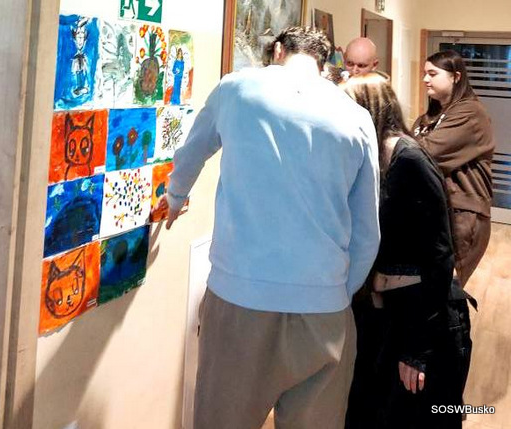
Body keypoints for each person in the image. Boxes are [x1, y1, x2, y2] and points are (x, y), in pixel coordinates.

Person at [156, 27, 380, 428]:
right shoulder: (356, 117)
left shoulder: (236, 89)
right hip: (324, 310)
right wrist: (334, 293)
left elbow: (193, 150)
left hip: (241, 296)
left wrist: (175, 197)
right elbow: (367, 233)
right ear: (324, 63)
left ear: (277, 51)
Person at [342, 73, 462, 428]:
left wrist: (417, 350)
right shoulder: (375, 159)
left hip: (418, 317)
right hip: (384, 315)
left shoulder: (410, 160)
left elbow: (439, 253)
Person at [413, 50, 495, 402]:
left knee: (445, 301)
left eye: (433, 73)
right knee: (432, 299)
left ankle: (446, 397)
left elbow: (423, 152)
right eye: (425, 73)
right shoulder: (433, 115)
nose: (425, 80)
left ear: (456, 76)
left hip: (463, 219)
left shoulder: (469, 114)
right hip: (439, 218)